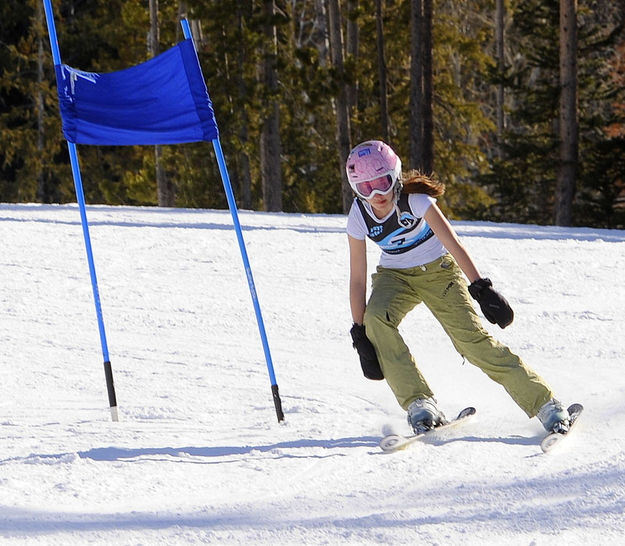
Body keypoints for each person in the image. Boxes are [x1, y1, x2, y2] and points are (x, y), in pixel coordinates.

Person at [346, 140, 570, 435]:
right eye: (366, 188)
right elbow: (358, 279)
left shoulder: (417, 202)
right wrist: (361, 332)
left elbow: (454, 244)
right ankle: (419, 403)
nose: (376, 195)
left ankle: (546, 404)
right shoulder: (359, 217)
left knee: (472, 343)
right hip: (394, 276)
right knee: (376, 320)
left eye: (382, 183)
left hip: (438, 272)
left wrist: (481, 287)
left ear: (396, 177)